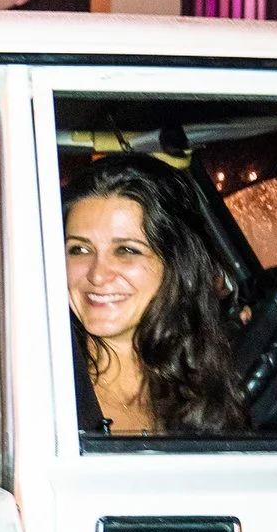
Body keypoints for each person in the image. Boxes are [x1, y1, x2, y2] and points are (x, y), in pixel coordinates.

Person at [62, 156, 249, 438]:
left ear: (175, 265)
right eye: (79, 249)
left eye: (126, 250)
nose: (97, 275)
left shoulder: (200, 377)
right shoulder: (27, 390)